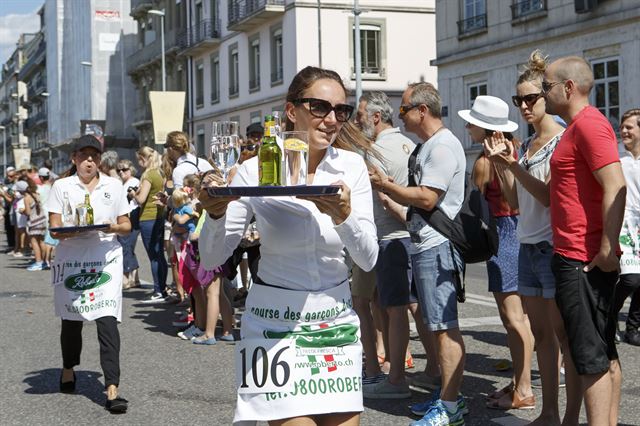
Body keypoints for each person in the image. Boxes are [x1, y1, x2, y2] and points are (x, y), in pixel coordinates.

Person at [199, 66, 378, 425]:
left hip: (334, 322)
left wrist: (344, 216)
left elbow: (368, 258)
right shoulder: (255, 169)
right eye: (319, 108)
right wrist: (216, 215)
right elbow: (213, 256)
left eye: (340, 111)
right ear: (291, 110)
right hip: (274, 326)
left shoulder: (352, 166)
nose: (331, 119)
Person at [369, 82, 467, 425]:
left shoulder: (441, 147)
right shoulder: (429, 145)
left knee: (444, 328)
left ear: (422, 111)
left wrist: (386, 186)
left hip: (437, 245)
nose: (401, 115)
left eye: (405, 108)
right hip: (427, 243)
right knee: (436, 325)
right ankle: (446, 399)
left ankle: (451, 406)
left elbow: (428, 198)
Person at [483, 50, 566, 425]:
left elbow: (549, 197)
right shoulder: (529, 143)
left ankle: (567, 415)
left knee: (561, 337)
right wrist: (503, 165)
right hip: (528, 243)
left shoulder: (560, 140)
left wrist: (512, 164)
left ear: (547, 97)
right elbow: (516, 201)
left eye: (531, 98)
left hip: (552, 246)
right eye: (519, 100)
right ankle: (548, 411)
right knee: (543, 338)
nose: (523, 106)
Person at [543, 55, 625, 426]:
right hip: (576, 255)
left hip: (581, 258)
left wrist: (608, 247)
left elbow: (616, 185)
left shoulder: (590, 125)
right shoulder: (576, 127)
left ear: (568, 88)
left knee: (591, 358)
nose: (543, 93)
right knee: (600, 354)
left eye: (546, 86)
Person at [458, 95, 536, 411]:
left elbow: (498, 201)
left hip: (504, 234)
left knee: (513, 318)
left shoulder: (486, 160)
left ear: (483, 127)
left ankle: (525, 389)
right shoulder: (513, 148)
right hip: (517, 231)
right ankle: (520, 382)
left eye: (471, 123)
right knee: (520, 318)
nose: (467, 127)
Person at [47, 134, 131, 413]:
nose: (90, 160)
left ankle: (112, 388)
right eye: (84, 155)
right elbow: (54, 228)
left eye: (94, 155)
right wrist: (73, 229)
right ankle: (69, 367)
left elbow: (126, 225)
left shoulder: (114, 185)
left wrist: (111, 228)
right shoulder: (61, 186)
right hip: (72, 257)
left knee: (107, 321)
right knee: (72, 320)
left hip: (104, 257)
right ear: (74, 158)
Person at [357, 91, 428, 400]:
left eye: (360, 117)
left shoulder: (374, 151)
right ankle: (434, 368)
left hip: (389, 236)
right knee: (416, 307)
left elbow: (379, 197)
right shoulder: (411, 144)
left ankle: (396, 378)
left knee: (394, 309)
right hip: (413, 234)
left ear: (375, 118)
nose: (358, 122)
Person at [611, 108, 640, 347]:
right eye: (623, 127)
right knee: (630, 279)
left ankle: (633, 328)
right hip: (621, 222)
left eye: (629, 127)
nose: (624, 131)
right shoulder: (616, 155)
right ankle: (607, 317)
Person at [132, 146, 169, 303]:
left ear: (143, 158)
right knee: (160, 254)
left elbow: (141, 200)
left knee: (154, 256)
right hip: (159, 215)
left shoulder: (148, 175)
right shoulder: (160, 173)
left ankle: (158, 290)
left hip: (148, 217)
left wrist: (133, 194)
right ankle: (162, 289)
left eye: (139, 159)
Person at [116, 159, 141, 289]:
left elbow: (135, 201)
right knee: (128, 248)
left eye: (124, 169)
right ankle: (134, 278)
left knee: (125, 247)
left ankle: (126, 278)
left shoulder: (133, 182)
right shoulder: (122, 183)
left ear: (131, 169)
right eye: (118, 170)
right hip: (128, 218)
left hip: (132, 217)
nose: (121, 172)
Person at [21, 178, 48, 271]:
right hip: (42, 220)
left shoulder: (26, 198)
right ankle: (44, 261)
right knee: (42, 241)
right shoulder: (37, 195)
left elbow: (28, 212)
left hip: (34, 222)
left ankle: (38, 262)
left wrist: (22, 211)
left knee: (34, 242)